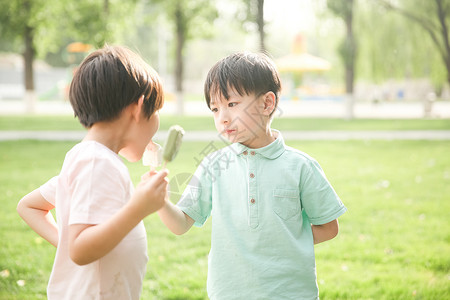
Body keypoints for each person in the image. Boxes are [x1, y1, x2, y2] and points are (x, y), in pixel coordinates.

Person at [158, 52, 347, 299]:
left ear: (267, 103)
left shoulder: (301, 166)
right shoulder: (212, 165)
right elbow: (181, 224)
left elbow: (328, 227)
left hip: (290, 293)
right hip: (229, 292)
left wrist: (285, 242)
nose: (222, 117)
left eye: (232, 104)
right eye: (215, 109)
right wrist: (159, 201)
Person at [17, 45, 169, 300]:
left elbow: (29, 206)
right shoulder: (98, 163)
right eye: (155, 112)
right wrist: (138, 208)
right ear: (138, 108)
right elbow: (78, 249)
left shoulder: (90, 158)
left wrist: (64, 244)